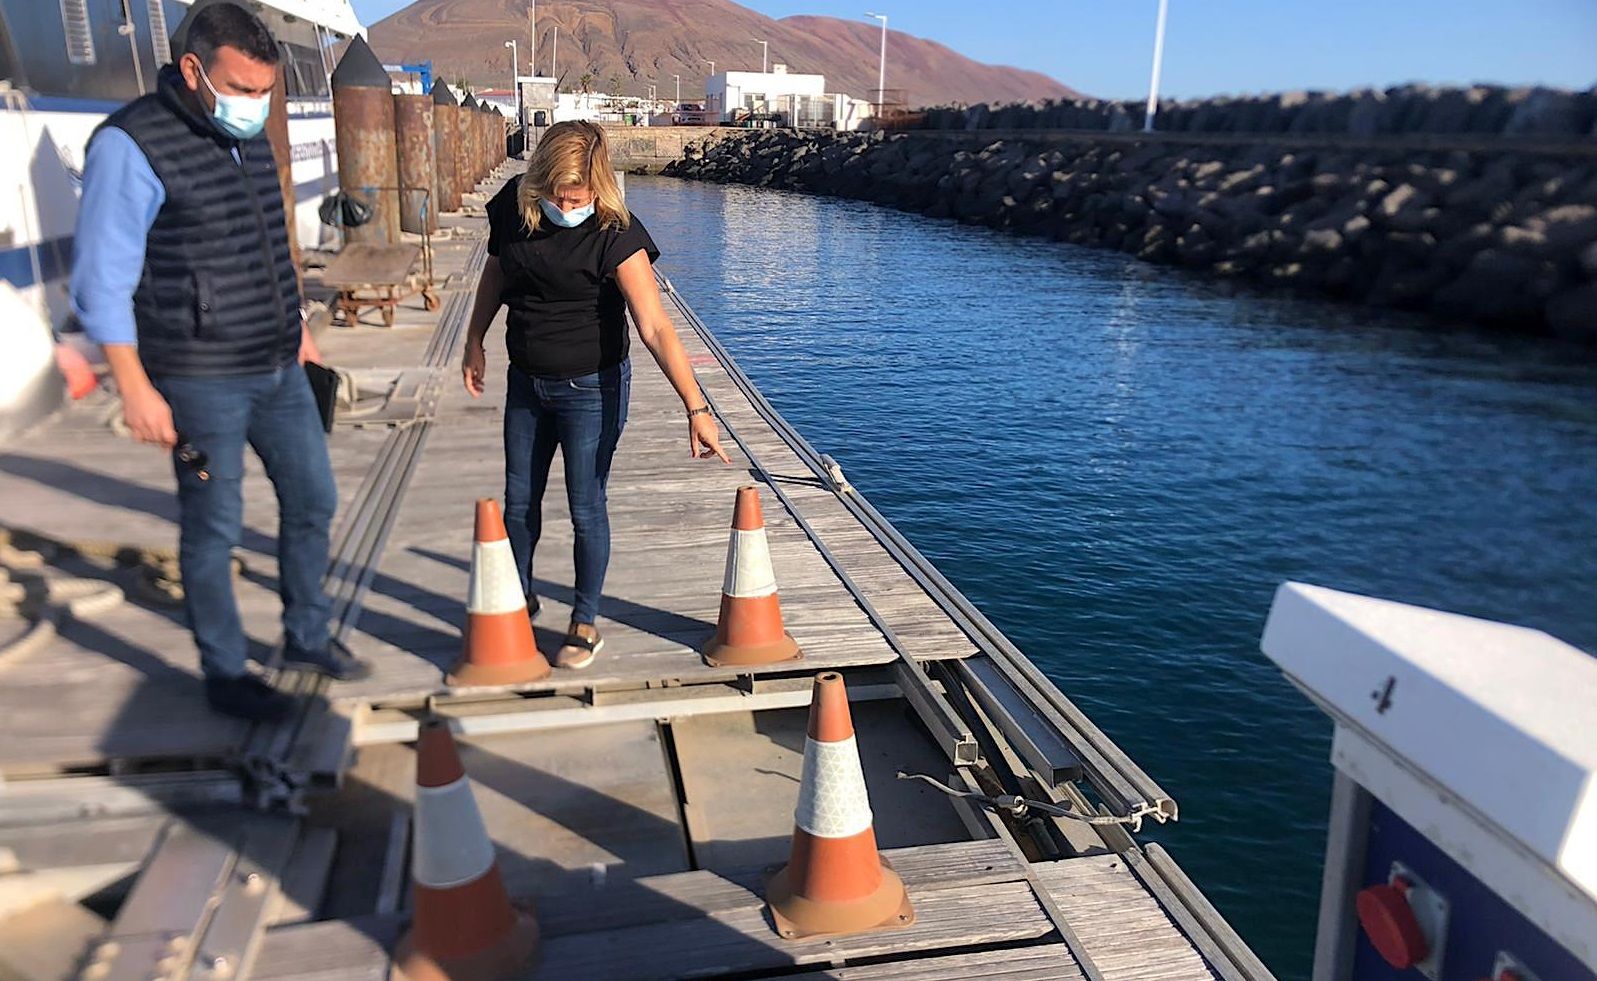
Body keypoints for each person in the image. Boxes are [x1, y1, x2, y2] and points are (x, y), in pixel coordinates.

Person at [70, 2, 369, 722]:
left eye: (265, 91)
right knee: (214, 524)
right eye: (242, 89)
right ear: (194, 70)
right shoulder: (132, 144)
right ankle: (226, 670)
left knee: (313, 498)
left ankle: (305, 634)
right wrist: (134, 386)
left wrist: (298, 328)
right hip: (198, 375)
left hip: (275, 362)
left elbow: (272, 243)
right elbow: (99, 280)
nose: (255, 104)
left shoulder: (248, 136)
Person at [463, 121, 730, 669]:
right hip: (526, 382)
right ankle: (520, 594)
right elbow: (495, 274)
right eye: (558, 194)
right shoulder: (514, 208)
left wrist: (696, 408)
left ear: (597, 186)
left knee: (586, 506)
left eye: (577, 196)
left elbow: (655, 326)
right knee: (518, 502)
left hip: (592, 388)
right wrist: (474, 339)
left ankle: (584, 620)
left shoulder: (616, 231)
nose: (567, 205)